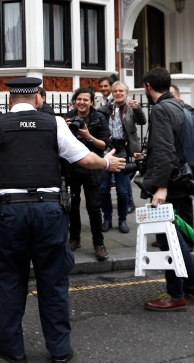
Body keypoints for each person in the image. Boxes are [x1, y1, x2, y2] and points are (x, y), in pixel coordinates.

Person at [0, 77, 124, 362]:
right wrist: (108, 162)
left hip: (9, 214)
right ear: (36, 98)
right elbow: (85, 159)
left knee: (9, 279)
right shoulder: (55, 123)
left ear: (10, 100)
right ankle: (59, 349)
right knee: (53, 280)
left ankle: (12, 347)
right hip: (50, 212)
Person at [139, 68, 194, 312]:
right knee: (173, 235)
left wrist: (161, 187)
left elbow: (166, 151)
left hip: (170, 183)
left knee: (168, 239)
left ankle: (176, 295)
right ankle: (193, 284)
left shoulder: (160, 109)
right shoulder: (179, 106)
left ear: (147, 86)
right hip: (182, 178)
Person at [63, 87, 111, 261]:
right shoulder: (66, 118)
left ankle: (99, 243)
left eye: (85, 100)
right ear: (75, 101)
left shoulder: (99, 118)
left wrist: (88, 136)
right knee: (73, 206)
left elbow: (104, 145)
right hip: (72, 168)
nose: (82, 102)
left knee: (93, 207)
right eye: (79, 99)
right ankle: (74, 239)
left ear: (92, 102)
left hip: (92, 169)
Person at [98, 81, 145, 235]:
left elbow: (142, 120)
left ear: (126, 93)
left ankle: (123, 220)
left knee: (122, 190)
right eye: (115, 91)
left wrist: (137, 109)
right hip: (107, 150)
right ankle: (107, 218)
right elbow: (96, 118)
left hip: (123, 151)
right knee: (104, 189)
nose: (118, 93)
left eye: (121, 91)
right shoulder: (106, 108)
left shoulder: (131, 109)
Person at [169, 84, 194, 236]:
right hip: (176, 162)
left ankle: (189, 240)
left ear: (178, 96)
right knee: (171, 201)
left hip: (187, 163)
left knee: (185, 200)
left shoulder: (190, 113)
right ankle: (170, 236)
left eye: (171, 95)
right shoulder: (173, 112)